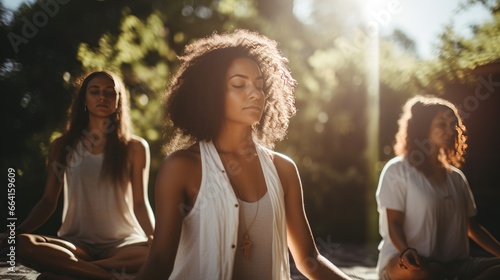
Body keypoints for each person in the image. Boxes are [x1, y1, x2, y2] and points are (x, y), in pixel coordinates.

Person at [134, 29, 351, 280]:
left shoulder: (283, 169)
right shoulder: (182, 167)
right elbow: (160, 262)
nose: (255, 93)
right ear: (210, 93)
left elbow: (309, 260)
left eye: (259, 85)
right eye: (239, 84)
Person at [0, 70, 155, 280]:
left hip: (124, 243)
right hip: (76, 243)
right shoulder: (62, 145)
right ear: (84, 99)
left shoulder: (135, 147)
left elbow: (140, 202)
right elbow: (47, 202)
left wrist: (155, 236)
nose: (102, 97)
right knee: (23, 245)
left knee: (153, 253)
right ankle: (106, 276)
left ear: (119, 100)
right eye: (95, 91)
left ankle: (75, 271)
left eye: (110, 92)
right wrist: (15, 232)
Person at [375, 95, 500, 280]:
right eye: (442, 124)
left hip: (458, 265)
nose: (450, 130)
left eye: (453, 125)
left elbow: (472, 228)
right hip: (409, 262)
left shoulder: (457, 178)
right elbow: (394, 222)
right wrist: (406, 251)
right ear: (423, 127)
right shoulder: (397, 170)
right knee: (425, 273)